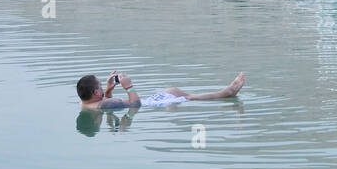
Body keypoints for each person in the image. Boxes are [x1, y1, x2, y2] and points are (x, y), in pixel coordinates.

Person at [77, 70, 245, 110]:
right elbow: (134, 105)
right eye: (100, 86)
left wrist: (107, 89)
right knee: (185, 97)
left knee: (176, 91)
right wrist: (129, 86)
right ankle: (226, 93)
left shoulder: (87, 104)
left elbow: (105, 101)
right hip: (150, 105)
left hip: (150, 102)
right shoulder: (104, 105)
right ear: (95, 93)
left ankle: (225, 93)